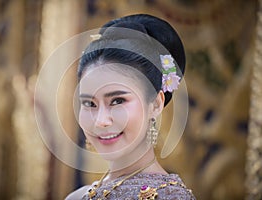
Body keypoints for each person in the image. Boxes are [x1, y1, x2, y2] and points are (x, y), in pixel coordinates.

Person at [66, 14, 196, 200]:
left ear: (156, 104)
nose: (101, 120)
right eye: (89, 103)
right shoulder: (77, 197)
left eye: (118, 101)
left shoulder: (170, 197)